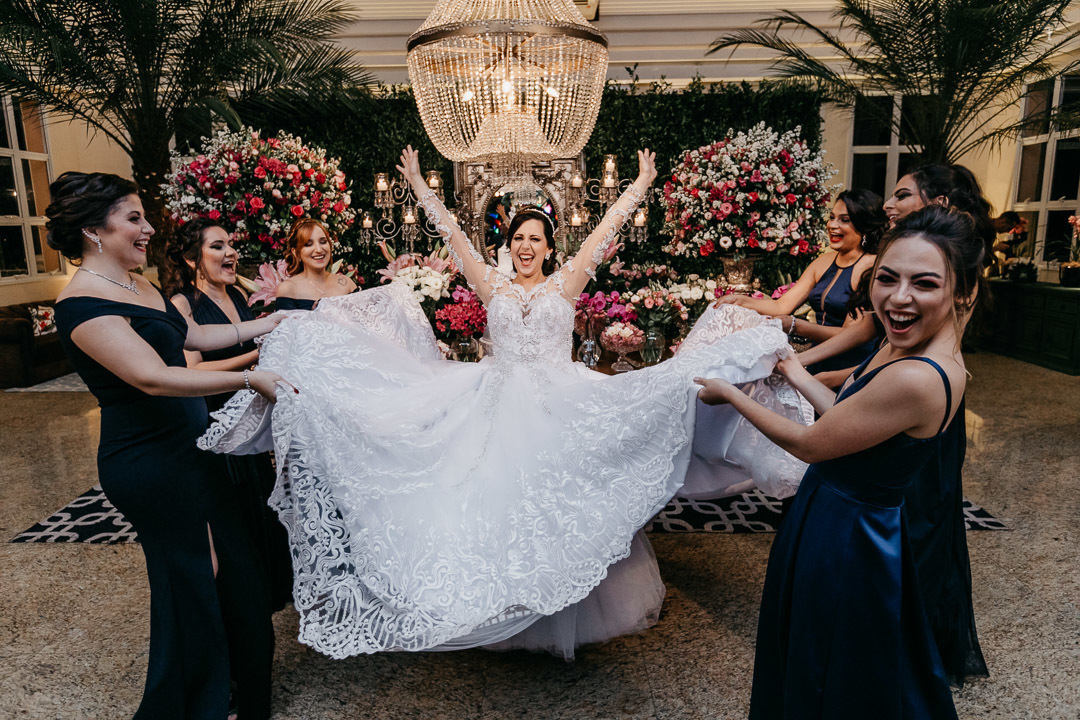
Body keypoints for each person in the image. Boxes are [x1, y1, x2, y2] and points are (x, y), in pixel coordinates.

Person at [197, 146, 813, 659]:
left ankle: (559, 609)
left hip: (559, 402)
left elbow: (603, 235)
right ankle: (496, 605)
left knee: (561, 502)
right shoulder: (488, 282)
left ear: (549, 245)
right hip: (492, 401)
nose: (524, 245)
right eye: (517, 237)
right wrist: (415, 183)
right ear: (509, 242)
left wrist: (640, 186)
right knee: (489, 499)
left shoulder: (566, 282)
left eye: (535, 238)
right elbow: (453, 234)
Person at [696, 204, 984, 718]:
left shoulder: (920, 375)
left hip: (852, 536)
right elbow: (849, 417)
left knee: (832, 663)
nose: (898, 298)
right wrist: (789, 366)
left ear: (963, 292)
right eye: (888, 279)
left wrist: (733, 395)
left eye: (924, 283)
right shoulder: (907, 348)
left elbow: (812, 443)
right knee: (828, 651)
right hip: (836, 514)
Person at [47, 171, 289, 719]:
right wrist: (250, 379)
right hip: (151, 463)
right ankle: (197, 703)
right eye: (134, 218)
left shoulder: (140, 285)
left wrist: (270, 324)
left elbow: (195, 339)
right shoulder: (80, 306)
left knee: (235, 572)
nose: (148, 229)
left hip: (196, 449)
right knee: (194, 580)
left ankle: (239, 688)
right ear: (93, 230)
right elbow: (155, 377)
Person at [792, 164, 992, 687]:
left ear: (941, 205)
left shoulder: (947, 271)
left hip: (920, 414)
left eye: (902, 195)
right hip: (898, 397)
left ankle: (908, 654)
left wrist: (807, 365)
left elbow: (899, 349)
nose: (888, 204)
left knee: (921, 530)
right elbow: (878, 346)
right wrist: (808, 367)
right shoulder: (905, 264)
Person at [162, 218, 294, 611]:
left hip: (248, 421)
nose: (231, 252)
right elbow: (193, 371)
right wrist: (256, 358)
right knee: (232, 520)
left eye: (231, 244)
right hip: (214, 422)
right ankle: (241, 604)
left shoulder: (236, 295)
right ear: (191, 259)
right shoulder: (183, 304)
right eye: (217, 246)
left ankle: (265, 598)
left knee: (262, 510)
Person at [715, 190, 886, 373]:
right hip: (817, 358)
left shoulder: (870, 267)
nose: (832, 225)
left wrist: (797, 326)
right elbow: (782, 306)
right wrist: (740, 301)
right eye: (832, 217)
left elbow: (850, 335)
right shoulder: (824, 261)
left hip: (848, 366)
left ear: (864, 225)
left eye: (844, 220)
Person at [274, 218, 357, 310]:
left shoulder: (347, 284)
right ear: (296, 253)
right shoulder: (288, 288)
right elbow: (286, 324)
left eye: (323, 242)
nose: (318, 249)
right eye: (308, 244)